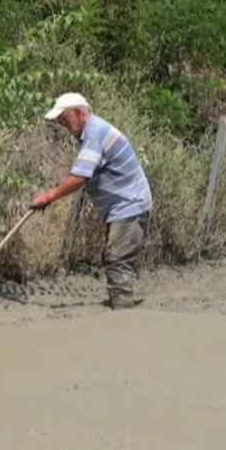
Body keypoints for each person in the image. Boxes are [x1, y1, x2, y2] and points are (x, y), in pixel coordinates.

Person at [30, 93, 153, 309]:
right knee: (118, 257)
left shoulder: (95, 133)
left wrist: (49, 196)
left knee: (116, 257)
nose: (62, 124)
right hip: (124, 205)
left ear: (78, 112)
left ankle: (124, 310)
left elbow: (80, 176)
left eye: (63, 118)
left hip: (129, 204)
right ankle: (123, 305)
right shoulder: (92, 132)